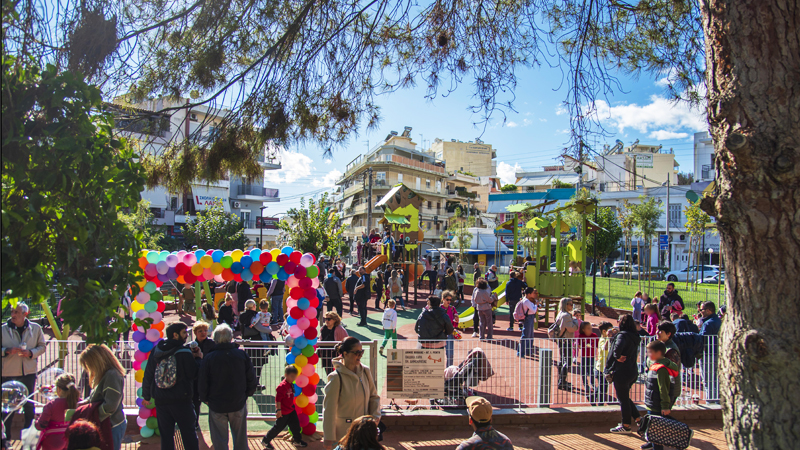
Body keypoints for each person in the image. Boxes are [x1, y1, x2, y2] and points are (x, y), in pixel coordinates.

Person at [142, 322, 203, 450]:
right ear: (175, 335)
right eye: (184, 332)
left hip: (161, 399)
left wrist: (146, 395)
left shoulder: (157, 350)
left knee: (166, 436)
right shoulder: (184, 352)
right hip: (181, 400)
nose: (186, 335)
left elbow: (148, 373)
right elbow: (193, 373)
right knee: (189, 434)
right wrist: (198, 358)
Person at [198, 324, 257, 450]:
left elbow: (203, 381)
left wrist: (205, 398)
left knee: (219, 439)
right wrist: (247, 394)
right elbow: (252, 378)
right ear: (230, 338)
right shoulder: (241, 355)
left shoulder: (209, 357)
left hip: (216, 404)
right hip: (237, 402)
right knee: (240, 438)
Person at [323, 337, 381, 449]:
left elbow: (374, 397)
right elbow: (329, 410)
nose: (360, 355)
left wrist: (374, 419)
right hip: (344, 436)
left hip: (365, 435)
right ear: (345, 353)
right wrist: (328, 438)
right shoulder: (336, 377)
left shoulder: (365, 371)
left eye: (361, 352)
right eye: (357, 353)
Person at [1, 302, 47, 434]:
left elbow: (42, 346)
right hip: (8, 373)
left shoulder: (36, 328)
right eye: (12, 312)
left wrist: (31, 353)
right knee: (7, 407)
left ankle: (28, 435)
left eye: (16, 312)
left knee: (28, 405)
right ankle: (5, 438)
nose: (13, 315)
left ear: (25, 314)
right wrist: (6, 351)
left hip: (28, 373)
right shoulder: (3, 329)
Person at [77, 345, 126, 450]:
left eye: (88, 364)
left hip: (112, 425)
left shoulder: (112, 375)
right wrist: (81, 405)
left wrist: (92, 415)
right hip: (107, 424)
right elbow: (95, 397)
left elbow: (110, 405)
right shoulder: (105, 374)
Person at [605, 314, 642, 433]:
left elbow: (617, 349)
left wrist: (617, 356)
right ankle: (638, 419)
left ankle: (626, 425)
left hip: (622, 371)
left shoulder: (622, 335)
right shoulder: (635, 336)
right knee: (624, 397)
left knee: (623, 399)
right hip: (632, 370)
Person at [641, 341, 680, 450]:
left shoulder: (661, 369)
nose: (648, 355)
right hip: (653, 402)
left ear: (658, 353)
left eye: (650, 352)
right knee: (653, 432)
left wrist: (665, 406)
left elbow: (663, 388)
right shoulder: (656, 365)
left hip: (656, 405)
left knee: (656, 434)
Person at [260, 365, 308, 450]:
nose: (293, 378)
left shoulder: (290, 384)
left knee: (296, 426)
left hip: (291, 410)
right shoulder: (282, 386)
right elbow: (278, 400)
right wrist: (278, 410)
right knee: (278, 428)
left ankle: (297, 440)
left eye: (295, 377)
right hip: (284, 412)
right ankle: (266, 440)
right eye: (292, 376)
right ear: (286, 375)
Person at [35, 373, 80, 450]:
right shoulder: (80, 403)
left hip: (53, 440)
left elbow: (40, 426)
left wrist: (36, 420)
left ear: (58, 389)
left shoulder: (51, 405)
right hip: (72, 439)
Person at [191, 322, 216, 430]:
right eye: (200, 331)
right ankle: (195, 424)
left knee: (212, 402)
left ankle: (215, 425)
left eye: (205, 330)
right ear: (195, 333)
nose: (203, 333)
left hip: (209, 378)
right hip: (196, 378)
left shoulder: (212, 344)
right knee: (195, 402)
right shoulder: (191, 346)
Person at [553, 298, 580, 390]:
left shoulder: (560, 313)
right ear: (565, 305)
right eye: (570, 304)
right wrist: (575, 321)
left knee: (562, 359)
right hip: (566, 339)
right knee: (567, 361)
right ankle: (562, 382)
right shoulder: (566, 316)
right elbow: (572, 328)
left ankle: (561, 380)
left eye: (572, 304)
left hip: (561, 339)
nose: (571, 306)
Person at [698, 301, 721, 401]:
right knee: (717, 380)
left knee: (708, 381)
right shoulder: (719, 321)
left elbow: (702, 340)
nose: (700, 311)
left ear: (708, 310)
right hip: (718, 354)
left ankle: (710, 402)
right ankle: (718, 401)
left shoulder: (708, 324)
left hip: (708, 355)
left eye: (702, 309)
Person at [320, 312, 349, 378]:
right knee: (328, 372)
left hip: (335, 355)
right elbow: (320, 338)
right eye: (325, 319)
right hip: (325, 354)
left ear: (335, 320)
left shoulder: (339, 329)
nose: (326, 321)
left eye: (329, 319)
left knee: (337, 373)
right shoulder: (323, 328)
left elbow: (346, 340)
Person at [593, 321, 614, 404]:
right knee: (603, 387)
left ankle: (592, 397)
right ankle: (600, 402)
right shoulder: (602, 340)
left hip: (606, 367)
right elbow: (605, 348)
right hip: (601, 367)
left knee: (602, 386)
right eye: (610, 330)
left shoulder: (609, 340)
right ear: (604, 331)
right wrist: (608, 338)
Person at [575, 322, 598, 394]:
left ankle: (593, 384)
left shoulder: (594, 335)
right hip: (584, 356)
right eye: (588, 328)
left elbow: (598, 344)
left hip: (592, 356)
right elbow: (577, 345)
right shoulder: (581, 336)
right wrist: (578, 345)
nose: (590, 330)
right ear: (583, 329)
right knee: (584, 371)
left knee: (591, 370)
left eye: (591, 328)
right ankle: (585, 384)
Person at [515, 288, 539, 357]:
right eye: (533, 293)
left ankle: (528, 351)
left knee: (530, 335)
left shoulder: (528, 300)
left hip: (530, 318)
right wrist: (536, 305)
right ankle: (520, 352)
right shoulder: (526, 301)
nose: (534, 294)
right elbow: (533, 310)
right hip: (528, 318)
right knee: (525, 335)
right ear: (529, 294)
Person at [441, 292, 459, 367]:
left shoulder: (452, 308)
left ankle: (449, 370)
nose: (449, 301)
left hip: (449, 333)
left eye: (450, 300)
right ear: (443, 299)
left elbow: (455, 323)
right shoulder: (439, 308)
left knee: (450, 354)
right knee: (438, 353)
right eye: (447, 299)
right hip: (440, 334)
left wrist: (457, 320)